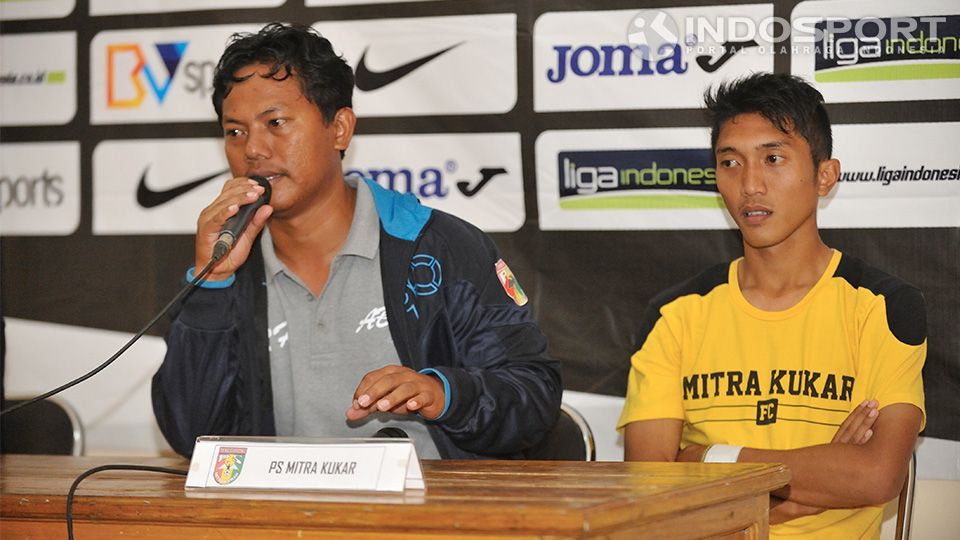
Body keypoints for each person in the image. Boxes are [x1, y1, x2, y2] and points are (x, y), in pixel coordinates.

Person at [152, 23, 562, 460]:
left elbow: (534, 394)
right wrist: (211, 283)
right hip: (282, 522)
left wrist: (445, 394)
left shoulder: (438, 246)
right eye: (235, 131)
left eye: (275, 123)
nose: (253, 149)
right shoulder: (228, 266)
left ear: (340, 129)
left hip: (433, 521)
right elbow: (192, 434)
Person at [618, 73, 925, 538]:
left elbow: (875, 475)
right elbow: (650, 498)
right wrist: (802, 484)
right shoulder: (675, 314)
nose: (751, 185)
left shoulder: (882, 306)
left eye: (774, 158)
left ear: (825, 175)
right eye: (730, 162)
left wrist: (707, 459)